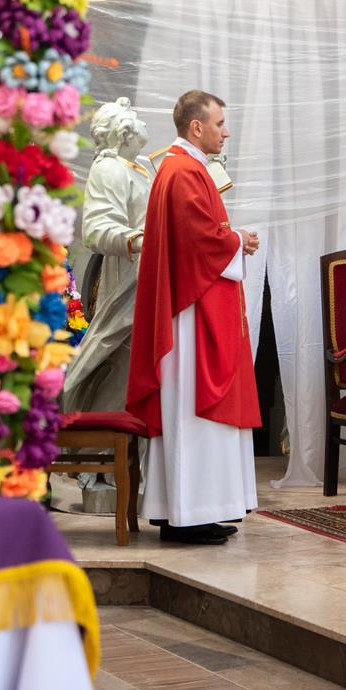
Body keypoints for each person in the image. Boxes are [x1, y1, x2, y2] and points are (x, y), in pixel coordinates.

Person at [127, 90, 261, 545]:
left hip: (194, 305)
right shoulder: (183, 171)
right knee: (193, 411)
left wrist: (231, 238)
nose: (226, 132)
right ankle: (189, 514)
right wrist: (236, 239)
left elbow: (200, 235)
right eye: (219, 123)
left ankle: (184, 510)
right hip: (191, 316)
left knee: (190, 415)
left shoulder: (182, 167)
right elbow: (198, 240)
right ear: (196, 126)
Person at [63, 98, 152, 413]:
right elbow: (96, 228)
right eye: (136, 118)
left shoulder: (140, 168)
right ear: (125, 131)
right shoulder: (110, 168)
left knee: (137, 369)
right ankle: (96, 439)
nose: (144, 123)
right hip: (128, 279)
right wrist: (144, 240)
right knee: (117, 363)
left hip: (149, 276)